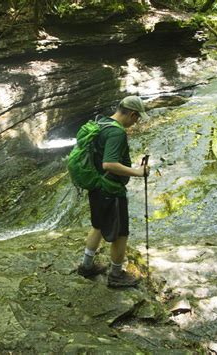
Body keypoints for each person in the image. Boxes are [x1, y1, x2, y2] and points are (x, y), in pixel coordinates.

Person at [77, 95, 149, 288]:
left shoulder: (101, 122)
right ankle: (116, 275)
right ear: (132, 114)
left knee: (99, 226)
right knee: (121, 233)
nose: (136, 122)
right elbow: (109, 163)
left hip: (96, 185)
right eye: (137, 118)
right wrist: (138, 172)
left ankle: (86, 265)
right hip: (110, 189)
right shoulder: (116, 133)